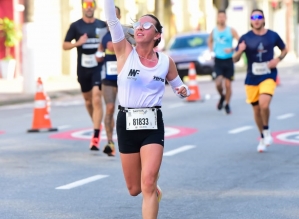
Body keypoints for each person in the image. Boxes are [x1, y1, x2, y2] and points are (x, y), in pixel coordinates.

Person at [103, 0, 190, 218]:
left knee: (148, 183)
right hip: (126, 121)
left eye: (147, 25)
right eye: (138, 25)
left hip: (152, 123)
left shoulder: (165, 62)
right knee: (135, 189)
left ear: (157, 35)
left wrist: (183, 90)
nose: (140, 27)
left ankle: (151, 186)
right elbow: (111, 19)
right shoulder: (124, 51)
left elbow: (179, 85)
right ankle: (152, 189)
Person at [233, 9, 287, 152]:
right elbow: (235, 59)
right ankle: (262, 136)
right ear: (250, 20)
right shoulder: (245, 38)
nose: (256, 19)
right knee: (256, 110)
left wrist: (278, 59)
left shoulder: (272, 35)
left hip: (268, 75)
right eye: (253, 17)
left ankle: (267, 130)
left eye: (259, 17)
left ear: (263, 19)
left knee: (264, 104)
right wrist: (239, 50)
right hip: (251, 78)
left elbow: (285, 49)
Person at [62, 0, 107, 151]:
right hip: (83, 69)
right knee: (88, 101)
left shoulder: (101, 25)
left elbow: (110, 43)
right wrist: (78, 43)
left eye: (91, 5)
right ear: (82, 7)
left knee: (96, 97)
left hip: (98, 67)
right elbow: (65, 45)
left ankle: (95, 136)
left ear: (95, 7)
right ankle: (97, 122)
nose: (89, 8)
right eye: (86, 5)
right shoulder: (76, 26)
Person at [96, 6, 136, 156]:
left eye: (114, 15)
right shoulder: (104, 36)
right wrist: (99, 55)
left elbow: (137, 49)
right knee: (110, 108)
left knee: (128, 108)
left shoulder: (126, 33)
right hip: (108, 78)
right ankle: (109, 142)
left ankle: (132, 139)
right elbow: (99, 54)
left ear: (118, 17)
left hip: (125, 77)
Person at [208, 10, 239, 114]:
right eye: (219, 17)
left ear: (226, 18)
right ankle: (222, 96)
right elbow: (210, 41)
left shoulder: (231, 30)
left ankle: (227, 104)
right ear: (217, 18)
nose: (221, 18)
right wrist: (211, 51)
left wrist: (233, 49)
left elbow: (241, 42)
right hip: (218, 60)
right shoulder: (214, 31)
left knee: (228, 85)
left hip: (229, 60)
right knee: (218, 83)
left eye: (223, 17)